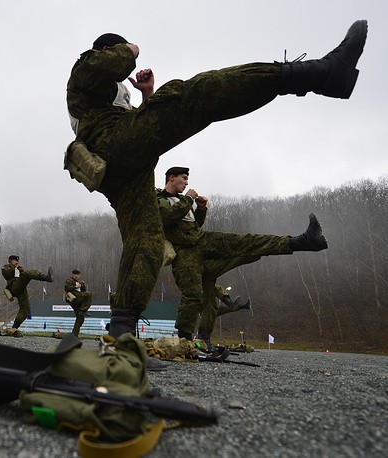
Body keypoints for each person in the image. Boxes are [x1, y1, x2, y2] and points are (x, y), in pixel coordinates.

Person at [65, 22, 367, 338]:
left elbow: (143, 126)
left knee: (148, 241)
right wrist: (130, 49)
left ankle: (122, 332)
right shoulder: (85, 70)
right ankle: (319, 74)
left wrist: (148, 95)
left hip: (121, 166)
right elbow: (121, 97)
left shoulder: (111, 92)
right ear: (105, 51)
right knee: (195, 94)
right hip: (112, 146)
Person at [158, 167, 328, 340]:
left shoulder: (181, 201)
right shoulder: (160, 199)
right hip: (185, 253)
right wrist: (189, 198)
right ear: (172, 178)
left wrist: (201, 209)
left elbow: (194, 226)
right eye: (184, 178)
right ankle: (184, 340)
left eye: (187, 179)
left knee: (247, 242)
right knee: (194, 295)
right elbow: (167, 218)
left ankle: (302, 241)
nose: (187, 182)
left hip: (202, 240)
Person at [1, 255, 53, 336]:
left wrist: (21, 270)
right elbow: (6, 273)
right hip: (14, 287)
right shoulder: (6, 267)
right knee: (27, 273)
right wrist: (15, 268)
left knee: (25, 309)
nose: (16, 262)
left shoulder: (16, 269)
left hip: (21, 288)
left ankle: (14, 328)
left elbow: (20, 275)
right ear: (10, 261)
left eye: (17, 260)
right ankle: (45, 277)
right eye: (14, 260)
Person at [64, 269, 93, 337]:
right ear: (73, 275)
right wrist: (75, 286)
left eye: (78, 275)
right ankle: (83, 310)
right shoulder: (69, 280)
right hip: (74, 298)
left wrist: (82, 285)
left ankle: (74, 335)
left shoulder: (78, 282)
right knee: (89, 294)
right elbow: (67, 288)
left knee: (80, 318)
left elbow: (83, 291)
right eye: (75, 275)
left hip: (78, 299)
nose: (76, 276)